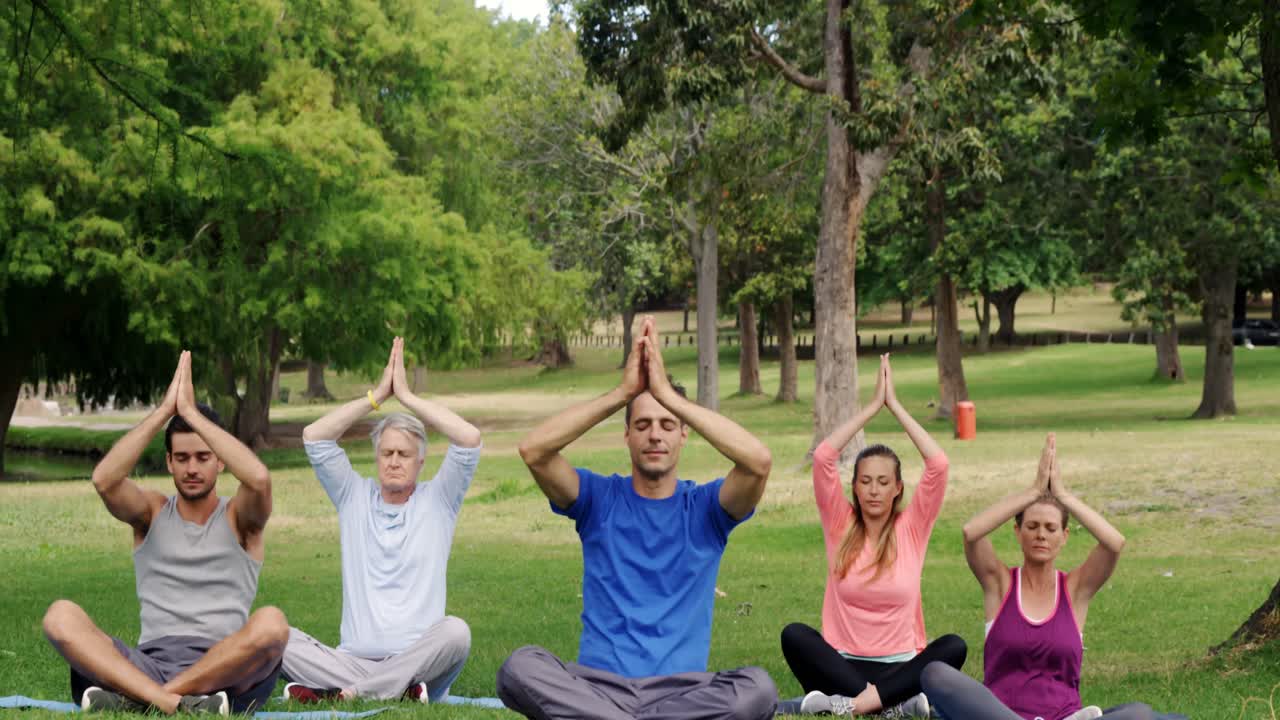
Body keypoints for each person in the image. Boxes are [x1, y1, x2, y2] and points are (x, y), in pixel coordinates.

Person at [496, 316, 778, 720]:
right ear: (627, 434)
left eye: (668, 425)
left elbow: (758, 462)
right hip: (598, 688)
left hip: (682, 693)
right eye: (642, 424)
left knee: (757, 688)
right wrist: (622, 393)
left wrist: (666, 395)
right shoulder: (598, 499)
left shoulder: (706, 510)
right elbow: (534, 450)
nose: (655, 435)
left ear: (684, 434)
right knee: (520, 667)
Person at [42, 352, 287, 715]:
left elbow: (260, 479)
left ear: (221, 460)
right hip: (149, 662)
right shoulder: (151, 512)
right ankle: (178, 702)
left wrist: (190, 414)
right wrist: (164, 412)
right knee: (59, 616)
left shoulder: (240, 518)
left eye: (203, 457)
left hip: (223, 665)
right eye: (182, 458)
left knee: (272, 624)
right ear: (169, 462)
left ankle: (142, 698)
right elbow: (104, 480)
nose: (192, 468)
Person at [280, 337, 479, 704]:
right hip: (352, 661)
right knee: (274, 637)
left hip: (420, 664)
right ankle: (392, 692)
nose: (394, 461)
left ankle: (349, 694)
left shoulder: (439, 500)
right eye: (387, 453)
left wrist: (407, 397)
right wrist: (375, 398)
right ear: (376, 457)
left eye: (404, 454)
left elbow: (469, 438)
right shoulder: (352, 496)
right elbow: (315, 437)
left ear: (420, 462)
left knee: (456, 633)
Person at [781, 354, 966, 718]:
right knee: (794, 635)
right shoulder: (840, 523)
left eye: (883, 482)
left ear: (898, 488)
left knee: (953, 646)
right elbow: (823, 458)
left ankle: (852, 705)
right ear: (854, 486)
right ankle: (891, 706)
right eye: (865, 481)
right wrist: (870, 408)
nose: (874, 490)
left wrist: (894, 405)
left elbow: (939, 464)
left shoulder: (912, 527)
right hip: (843, 665)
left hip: (900, 668)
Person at [920, 434, 1154, 720]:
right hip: (1000, 715)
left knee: (1139, 714)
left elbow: (1114, 543)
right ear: (1018, 532)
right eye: (1031, 526)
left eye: (1050, 528)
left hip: (1064, 714)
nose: (1041, 534)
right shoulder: (1000, 584)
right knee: (935, 673)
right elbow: (971, 532)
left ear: (1064, 536)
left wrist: (1063, 495)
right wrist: (1033, 491)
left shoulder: (1075, 590)